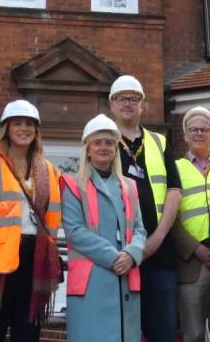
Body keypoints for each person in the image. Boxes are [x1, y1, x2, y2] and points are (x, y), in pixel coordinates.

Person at [0, 100, 62, 342]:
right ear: (6, 128)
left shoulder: (49, 170)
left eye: (29, 124)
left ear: (36, 130)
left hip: (34, 259)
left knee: (27, 332)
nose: (24, 128)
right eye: (17, 123)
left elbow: (51, 217)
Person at [108, 75, 181, 342]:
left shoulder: (159, 142)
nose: (128, 104)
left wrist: (158, 237)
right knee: (121, 334)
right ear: (112, 105)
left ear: (142, 105)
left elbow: (175, 191)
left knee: (162, 331)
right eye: (122, 99)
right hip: (117, 254)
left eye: (134, 99)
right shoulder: (103, 142)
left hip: (159, 254)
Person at [62, 114, 146, 342]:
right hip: (92, 282)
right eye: (97, 142)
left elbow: (139, 229)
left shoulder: (129, 186)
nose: (103, 147)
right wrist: (115, 257)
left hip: (126, 278)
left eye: (109, 143)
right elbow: (75, 232)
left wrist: (131, 254)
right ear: (87, 149)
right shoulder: (72, 184)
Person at [172, 106, 210, 342]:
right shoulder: (175, 169)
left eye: (204, 129)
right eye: (193, 129)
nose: (199, 133)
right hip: (191, 262)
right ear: (185, 135)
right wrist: (195, 248)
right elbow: (169, 218)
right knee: (193, 333)